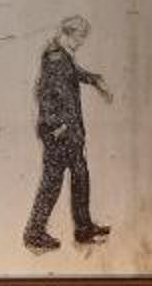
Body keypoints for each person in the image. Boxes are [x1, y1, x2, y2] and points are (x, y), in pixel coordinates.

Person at [24, 14, 113, 252]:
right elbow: (43, 95)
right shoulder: (55, 58)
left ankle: (83, 229)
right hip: (59, 134)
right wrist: (57, 127)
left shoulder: (62, 55)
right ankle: (34, 233)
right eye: (80, 37)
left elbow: (74, 72)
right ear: (68, 34)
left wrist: (94, 80)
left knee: (80, 176)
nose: (82, 42)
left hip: (70, 132)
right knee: (52, 183)